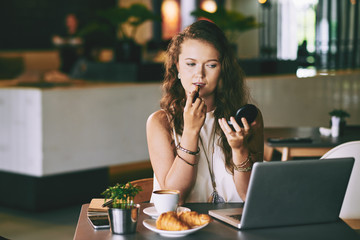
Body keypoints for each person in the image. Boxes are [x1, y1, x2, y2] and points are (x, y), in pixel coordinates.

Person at [146, 20, 264, 204]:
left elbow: (250, 197)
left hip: (233, 228)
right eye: (191, 64)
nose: (199, 74)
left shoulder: (246, 120)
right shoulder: (159, 123)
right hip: (183, 227)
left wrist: (239, 149)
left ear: (223, 69)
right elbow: (175, 197)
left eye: (211, 65)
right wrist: (191, 132)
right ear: (177, 66)